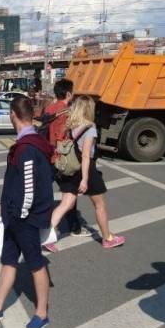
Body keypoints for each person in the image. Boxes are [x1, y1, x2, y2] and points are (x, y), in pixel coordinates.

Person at [0, 96, 55, 328]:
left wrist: (20, 213)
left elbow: (28, 187)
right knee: (8, 259)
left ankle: (42, 313)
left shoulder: (27, 147)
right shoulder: (33, 142)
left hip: (24, 218)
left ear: (13, 115)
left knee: (36, 263)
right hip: (16, 216)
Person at [50, 96, 126, 250]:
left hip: (70, 168)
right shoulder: (89, 128)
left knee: (66, 203)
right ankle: (108, 238)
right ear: (89, 109)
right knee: (99, 205)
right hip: (86, 170)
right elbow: (86, 155)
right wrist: (85, 179)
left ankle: (46, 237)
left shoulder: (69, 125)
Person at [42, 79, 88, 238]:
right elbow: (68, 136)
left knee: (44, 192)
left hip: (46, 156)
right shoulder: (68, 112)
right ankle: (74, 227)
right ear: (68, 94)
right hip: (62, 158)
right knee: (70, 192)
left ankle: (42, 222)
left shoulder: (48, 108)